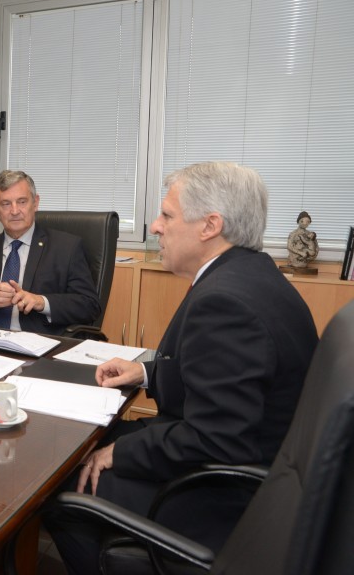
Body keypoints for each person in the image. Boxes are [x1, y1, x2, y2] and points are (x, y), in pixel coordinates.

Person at [48, 161, 318, 574]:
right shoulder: (252, 274)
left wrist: (120, 452)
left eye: (167, 215)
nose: (155, 226)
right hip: (265, 473)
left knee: (57, 488)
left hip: (223, 497)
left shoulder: (225, 303)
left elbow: (215, 440)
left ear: (210, 225)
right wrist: (147, 373)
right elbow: (227, 379)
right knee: (79, 447)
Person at [0, 170, 99, 333]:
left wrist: (41, 302)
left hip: (39, 343)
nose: (14, 211)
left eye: (22, 202)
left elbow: (89, 306)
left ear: (35, 203)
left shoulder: (67, 248)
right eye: (6, 204)